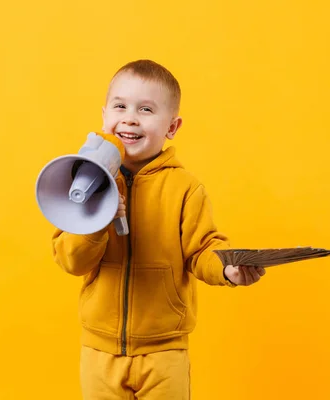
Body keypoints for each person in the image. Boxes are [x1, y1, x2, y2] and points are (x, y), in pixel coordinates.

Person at [52, 59, 266, 399]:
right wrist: (95, 221)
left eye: (146, 109)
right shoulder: (82, 180)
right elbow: (71, 261)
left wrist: (226, 268)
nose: (130, 117)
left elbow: (201, 250)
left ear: (172, 126)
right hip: (99, 352)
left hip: (165, 352)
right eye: (120, 106)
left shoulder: (185, 188)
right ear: (105, 115)